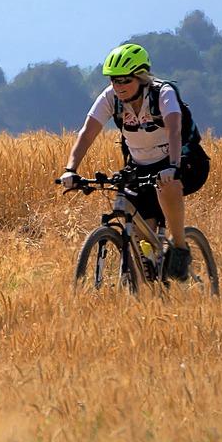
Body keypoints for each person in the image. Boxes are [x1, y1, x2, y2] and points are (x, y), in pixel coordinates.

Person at [60, 43, 210, 280]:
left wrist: (172, 166)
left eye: (125, 80)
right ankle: (150, 275)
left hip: (183, 160)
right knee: (139, 224)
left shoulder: (163, 93)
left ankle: (180, 247)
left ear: (141, 78)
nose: (118, 86)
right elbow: (87, 132)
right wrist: (71, 169)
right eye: (114, 80)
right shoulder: (110, 98)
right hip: (141, 166)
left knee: (167, 185)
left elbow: (173, 129)